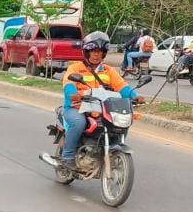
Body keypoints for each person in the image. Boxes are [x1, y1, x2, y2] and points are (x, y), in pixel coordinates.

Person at [46, 31, 140, 171]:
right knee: (79, 123)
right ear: (86, 52)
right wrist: (74, 94)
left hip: (102, 108)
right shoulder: (75, 68)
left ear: (104, 54)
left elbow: (121, 86)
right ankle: (68, 157)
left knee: (121, 124)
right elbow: (68, 85)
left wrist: (134, 96)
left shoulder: (109, 70)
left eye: (100, 52)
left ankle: (110, 151)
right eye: (93, 51)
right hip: (77, 108)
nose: (97, 54)